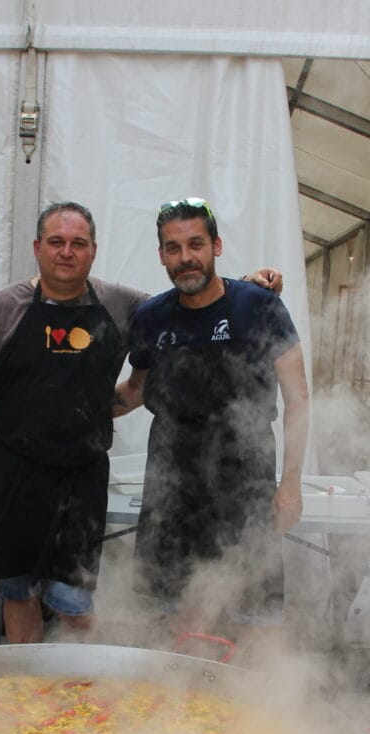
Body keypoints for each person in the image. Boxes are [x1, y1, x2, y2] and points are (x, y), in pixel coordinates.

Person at [0, 201, 282, 644]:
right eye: (56, 242)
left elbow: (191, 300)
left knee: (74, 600)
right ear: (37, 248)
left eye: (78, 243)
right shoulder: (3, 309)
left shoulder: (123, 304)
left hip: (83, 474)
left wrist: (247, 288)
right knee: (18, 590)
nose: (66, 252)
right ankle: (28, 693)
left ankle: (82, 689)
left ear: (93, 251)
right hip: (15, 470)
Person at [113, 197, 309, 632]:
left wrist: (291, 485)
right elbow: (136, 391)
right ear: (162, 255)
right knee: (174, 623)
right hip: (171, 489)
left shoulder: (259, 306)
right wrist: (76, 407)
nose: (186, 258)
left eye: (195, 244)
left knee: (253, 621)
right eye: (174, 248)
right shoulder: (151, 316)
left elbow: (298, 399)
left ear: (216, 246)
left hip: (246, 485)